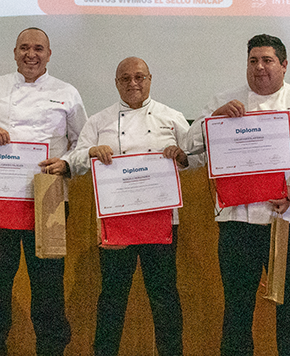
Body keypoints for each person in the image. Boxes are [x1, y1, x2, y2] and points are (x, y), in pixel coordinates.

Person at [186, 34, 290, 356]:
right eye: (253, 61)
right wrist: (214, 118)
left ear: (284, 64)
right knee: (237, 306)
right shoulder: (224, 100)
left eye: (267, 60)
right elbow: (189, 145)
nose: (260, 67)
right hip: (237, 220)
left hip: (288, 219)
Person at [0, 27, 87, 356]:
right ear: (14, 53)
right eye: (24, 48)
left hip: (48, 196)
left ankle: (52, 348)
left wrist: (66, 164)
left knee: (48, 283)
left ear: (49, 54)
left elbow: (83, 143)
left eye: (38, 48)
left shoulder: (67, 93)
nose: (31, 54)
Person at [67, 57, 187, 356]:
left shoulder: (172, 117)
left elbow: (197, 158)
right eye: (125, 78)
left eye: (139, 77)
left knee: (164, 295)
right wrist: (92, 152)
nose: (133, 83)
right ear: (116, 83)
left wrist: (181, 156)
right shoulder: (99, 121)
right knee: (112, 296)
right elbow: (75, 160)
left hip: (160, 219)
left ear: (150, 79)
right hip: (116, 219)